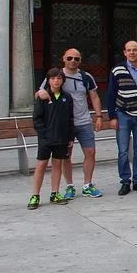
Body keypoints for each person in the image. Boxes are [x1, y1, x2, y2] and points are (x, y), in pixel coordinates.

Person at [34, 48, 103, 199]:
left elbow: (94, 96)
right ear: (63, 58)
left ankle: (87, 184)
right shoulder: (56, 76)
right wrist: (41, 93)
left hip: (83, 121)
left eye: (76, 59)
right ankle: (69, 185)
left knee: (90, 152)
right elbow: (40, 92)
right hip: (63, 124)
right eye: (70, 58)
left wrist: (98, 116)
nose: (73, 61)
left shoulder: (86, 77)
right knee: (66, 156)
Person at [106, 40, 137, 195]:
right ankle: (125, 181)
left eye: (135, 50)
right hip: (123, 114)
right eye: (129, 50)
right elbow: (111, 94)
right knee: (123, 150)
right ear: (124, 52)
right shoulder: (117, 70)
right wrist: (112, 117)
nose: (132, 52)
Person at [28, 68, 75, 209]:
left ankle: (55, 193)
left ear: (63, 81)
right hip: (46, 138)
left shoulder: (67, 97)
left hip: (61, 138)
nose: (56, 81)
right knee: (41, 165)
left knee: (57, 164)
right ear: (48, 80)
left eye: (59, 78)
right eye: (53, 78)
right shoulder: (42, 96)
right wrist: (43, 134)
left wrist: (70, 136)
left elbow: (70, 118)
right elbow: (36, 119)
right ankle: (35, 195)